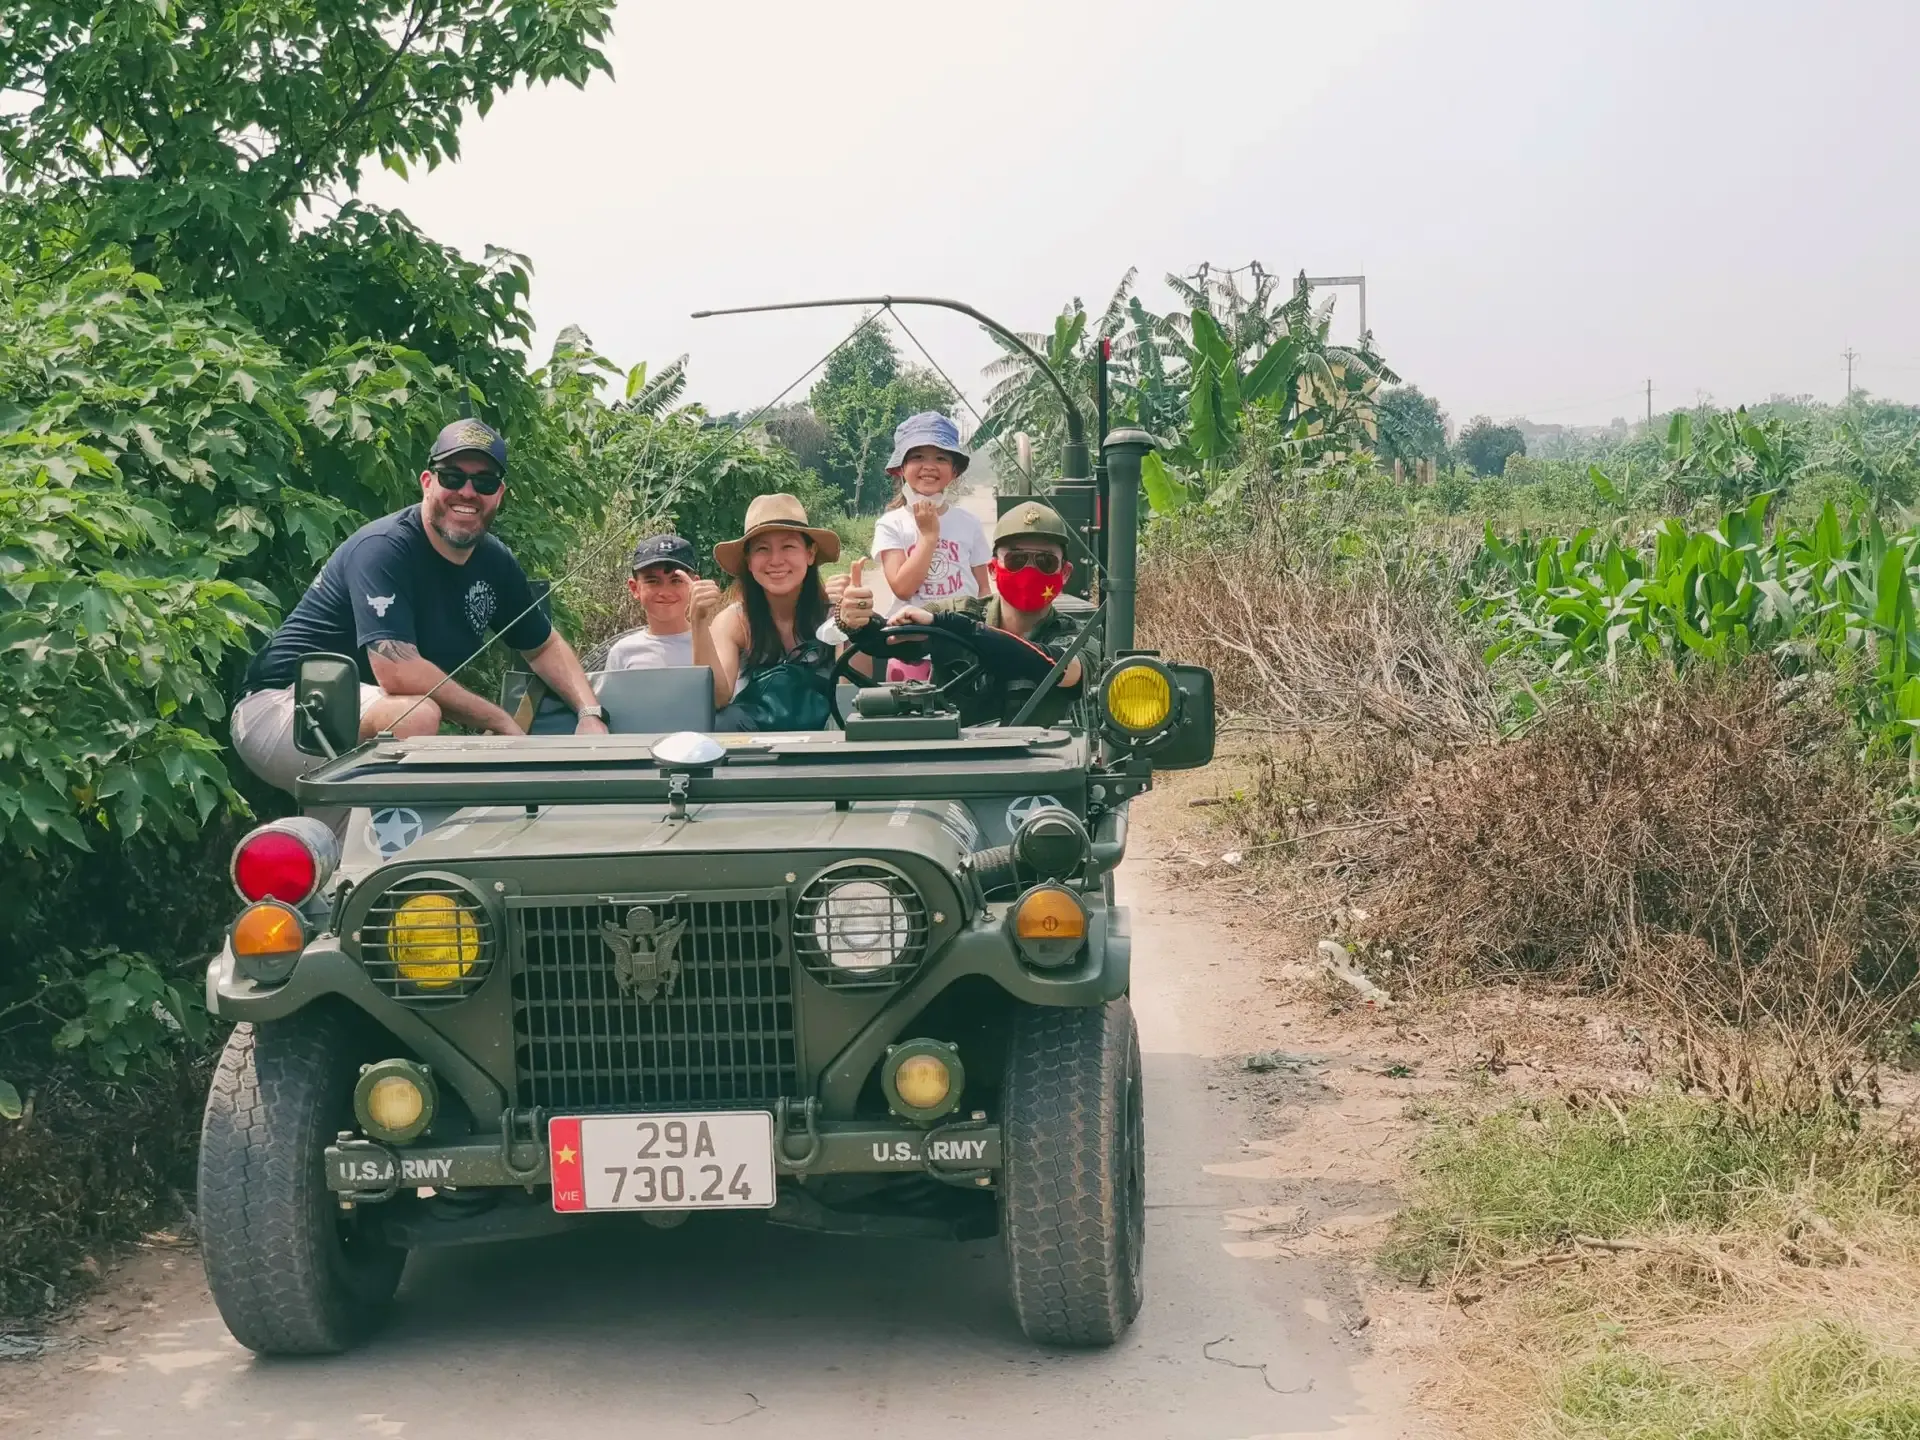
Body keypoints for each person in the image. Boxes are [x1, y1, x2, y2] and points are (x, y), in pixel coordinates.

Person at [231, 418, 607, 793]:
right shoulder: (383, 548)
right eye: (453, 477)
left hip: (359, 719)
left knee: (368, 836)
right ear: (427, 482)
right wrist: (501, 720)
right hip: (283, 708)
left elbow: (543, 645)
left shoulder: (495, 562)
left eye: (484, 482)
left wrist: (589, 715)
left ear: (500, 494)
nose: (468, 492)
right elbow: (398, 673)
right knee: (417, 716)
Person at [835, 501, 1093, 727]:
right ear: (993, 569)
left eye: (1045, 562)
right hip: (955, 768)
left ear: (1065, 573)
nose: (1029, 570)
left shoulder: (1075, 637)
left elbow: (1059, 669)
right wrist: (854, 622)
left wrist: (961, 630)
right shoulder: (954, 614)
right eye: (1016, 559)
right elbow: (890, 641)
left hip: (1043, 771)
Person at [697, 493, 842, 731]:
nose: (776, 560)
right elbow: (715, 699)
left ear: (810, 553)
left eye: (788, 546)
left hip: (825, 744)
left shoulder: (835, 614)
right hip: (755, 749)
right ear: (749, 561)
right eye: (762, 549)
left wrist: (852, 625)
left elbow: (851, 694)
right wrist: (699, 623)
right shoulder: (734, 621)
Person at [602, 534, 724, 672]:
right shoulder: (623, 653)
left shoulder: (717, 643)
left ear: (694, 585)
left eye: (676, 580)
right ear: (634, 588)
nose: (665, 592)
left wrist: (700, 620)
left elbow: (721, 692)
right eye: (653, 581)